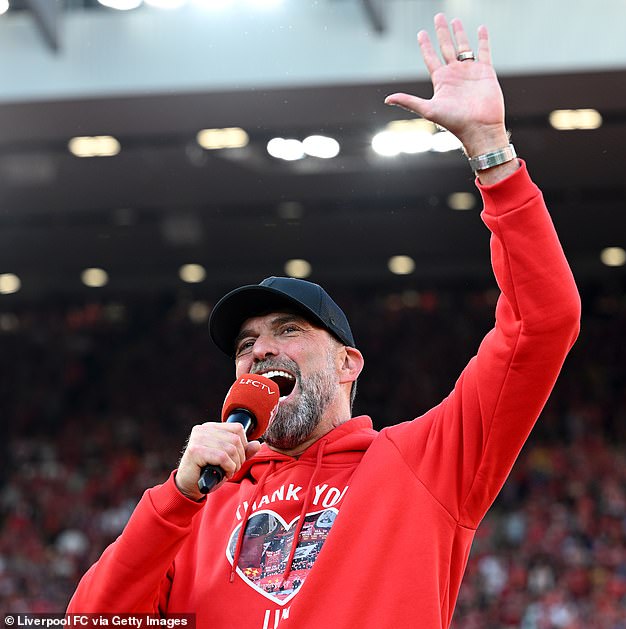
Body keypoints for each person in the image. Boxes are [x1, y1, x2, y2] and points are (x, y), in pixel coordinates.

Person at [67, 14, 581, 628]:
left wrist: (492, 153)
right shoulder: (196, 507)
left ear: (348, 362)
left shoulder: (424, 464)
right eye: (246, 343)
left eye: (288, 331)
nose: (259, 351)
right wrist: (177, 500)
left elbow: (543, 322)